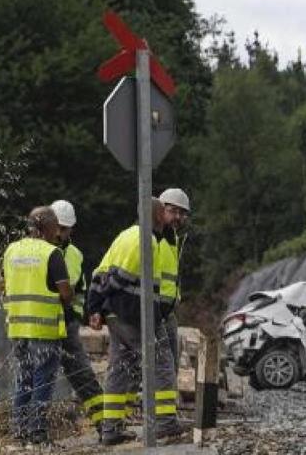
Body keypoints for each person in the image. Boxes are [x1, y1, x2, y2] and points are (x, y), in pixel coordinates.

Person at [86, 198, 182, 445]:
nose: (169, 217)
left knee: (119, 370)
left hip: (117, 315)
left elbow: (101, 270)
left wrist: (95, 306)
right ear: (158, 216)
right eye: (165, 211)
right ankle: (165, 424)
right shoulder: (145, 240)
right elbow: (118, 277)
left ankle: (111, 430)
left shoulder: (125, 235)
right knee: (162, 363)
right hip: (135, 315)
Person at [1, 206, 72, 446]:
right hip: (44, 329)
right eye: (56, 227)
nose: (58, 233)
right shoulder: (52, 253)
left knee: (24, 379)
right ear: (49, 227)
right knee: (43, 381)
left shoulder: (12, 250)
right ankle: (38, 434)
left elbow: (4, 285)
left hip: (18, 327)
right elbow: (65, 292)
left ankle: (19, 431)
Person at [50, 200, 104, 434]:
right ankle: (33, 429)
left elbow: (81, 289)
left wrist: (81, 314)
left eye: (65, 228)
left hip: (67, 323)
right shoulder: (39, 251)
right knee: (38, 376)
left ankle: (105, 422)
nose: (60, 233)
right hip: (42, 324)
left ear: (71, 229)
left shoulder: (75, 255)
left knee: (82, 374)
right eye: (58, 227)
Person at [156, 187, 189, 374]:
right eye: (173, 211)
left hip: (167, 312)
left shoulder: (173, 239)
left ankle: (163, 402)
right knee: (162, 366)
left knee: (170, 365)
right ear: (161, 210)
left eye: (182, 213)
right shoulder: (153, 237)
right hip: (152, 310)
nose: (178, 217)